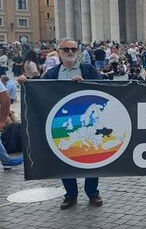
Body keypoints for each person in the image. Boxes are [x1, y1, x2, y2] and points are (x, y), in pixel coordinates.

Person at [29, 39, 103, 208]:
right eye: (66, 49)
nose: (70, 52)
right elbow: (39, 91)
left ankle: (93, 193)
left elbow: (103, 87)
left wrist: (86, 82)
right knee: (64, 156)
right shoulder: (51, 73)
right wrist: (25, 83)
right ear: (59, 52)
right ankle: (70, 195)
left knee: (91, 155)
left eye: (73, 49)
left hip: (87, 121)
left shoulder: (88, 69)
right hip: (63, 123)